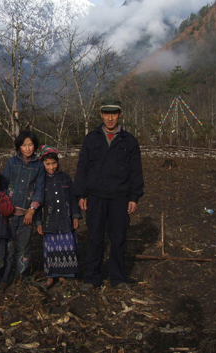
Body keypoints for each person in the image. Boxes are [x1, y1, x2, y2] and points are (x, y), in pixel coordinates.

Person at [73, 98, 144, 291]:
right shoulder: (91, 139)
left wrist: (134, 197)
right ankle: (91, 278)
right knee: (95, 237)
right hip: (96, 197)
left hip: (120, 198)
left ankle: (118, 278)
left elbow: (136, 171)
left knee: (118, 238)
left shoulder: (129, 141)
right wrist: (81, 194)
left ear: (120, 114)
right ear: (101, 115)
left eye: (114, 113)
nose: (110, 117)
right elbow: (83, 168)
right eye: (106, 113)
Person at [0, 131, 45, 289]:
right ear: (19, 146)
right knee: (8, 245)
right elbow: (3, 185)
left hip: (27, 214)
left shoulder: (39, 165)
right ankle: (5, 276)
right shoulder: (12, 162)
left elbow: (39, 190)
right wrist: (5, 206)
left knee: (24, 246)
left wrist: (32, 210)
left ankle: (21, 276)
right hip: (10, 213)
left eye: (30, 144)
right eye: (24, 145)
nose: (27, 148)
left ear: (35, 146)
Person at [34, 146, 81, 289]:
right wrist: (38, 222)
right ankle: (50, 277)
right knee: (51, 250)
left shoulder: (65, 177)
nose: (51, 167)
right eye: (47, 164)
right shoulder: (40, 181)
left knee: (66, 248)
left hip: (65, 220)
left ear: (57, 163)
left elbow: (73, 198)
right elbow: (37, 202)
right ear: (42, 164)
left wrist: (76, 216)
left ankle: (64, 276)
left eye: (53, 163)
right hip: (50, 222)